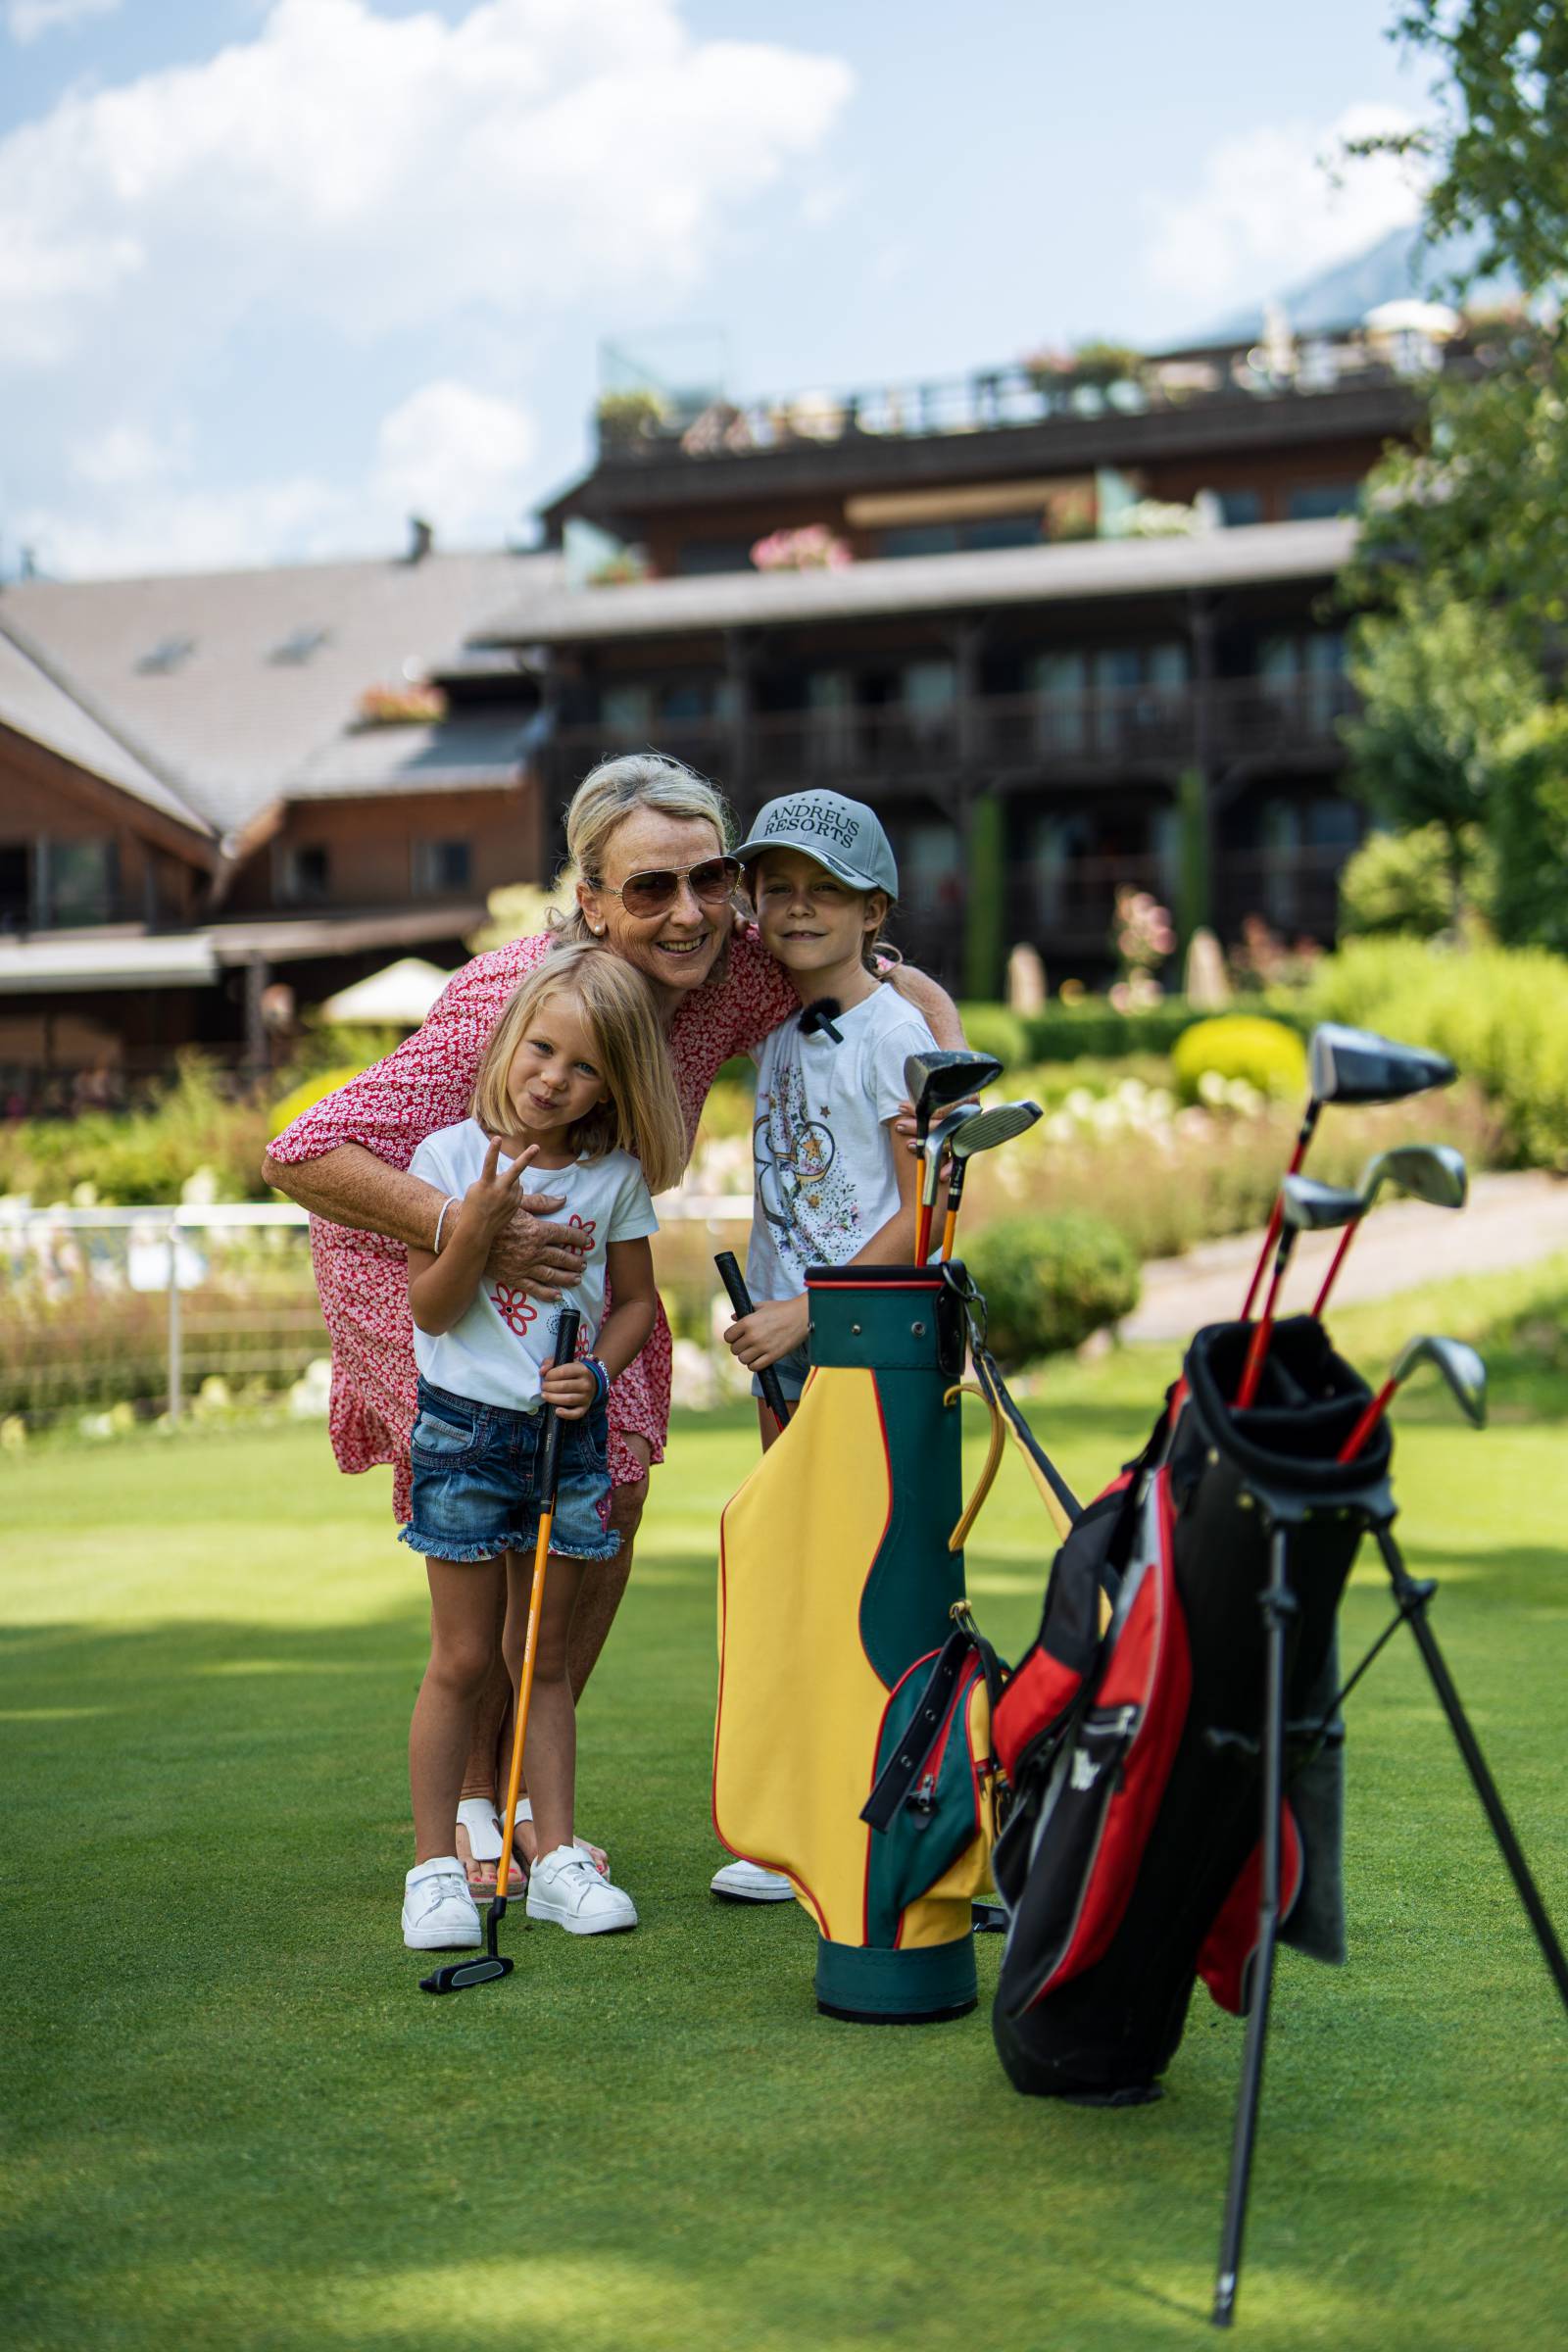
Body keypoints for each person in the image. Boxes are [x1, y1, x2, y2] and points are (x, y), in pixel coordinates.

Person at [263, 753, 964, 1903]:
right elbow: (304, 1149)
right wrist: (466, 1228)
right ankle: (478, 1818)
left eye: (708, 879)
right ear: (589, 900)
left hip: (588, 1255)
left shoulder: (734, 965)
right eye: (649, 889)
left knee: (610, 1496)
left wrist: (948, 1076)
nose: (686, 912)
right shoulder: (511, 1003)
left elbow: (885, 971)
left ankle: (529, 1801)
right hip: (417, 1258)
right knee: (494, 1527)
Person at [401, 944, 684, 1949]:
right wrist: (471, 1227)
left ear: (615, 1084)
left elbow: (640, 1304)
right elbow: (428, 1309)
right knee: (465, 1656)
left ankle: (556, 1858)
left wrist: (599, 1373)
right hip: (463, 1436)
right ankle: (435, 1868)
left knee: (543, 1656)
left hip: (565, 1437)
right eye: (541, 1049)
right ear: (510, 1040)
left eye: (584, 1066)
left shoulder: (612, 1179)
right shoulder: (443, 1161)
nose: (553, 1077)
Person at [716, 792, 942, 1901]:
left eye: (825, 892)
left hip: (861, 1339)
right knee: (799, 1573)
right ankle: (801, 1816)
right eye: (778, 890)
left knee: (860, 1577)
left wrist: (807, 1309)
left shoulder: (894, 1034)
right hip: (790, 1343)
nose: (797, 909)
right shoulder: (768, 1017)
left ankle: (874, 1808)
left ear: (872, 911)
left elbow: (929, 1207)